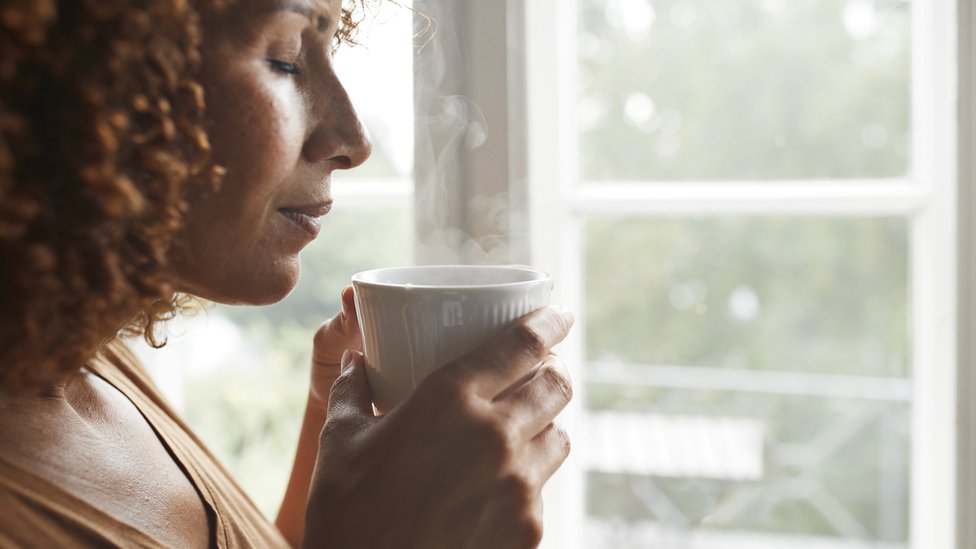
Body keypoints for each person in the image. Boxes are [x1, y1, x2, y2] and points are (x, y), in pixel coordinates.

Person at [0, 0, 574, 547]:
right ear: (96, 80)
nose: (354, 140)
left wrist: (340, 435)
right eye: (284, 59)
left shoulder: (82, 361)